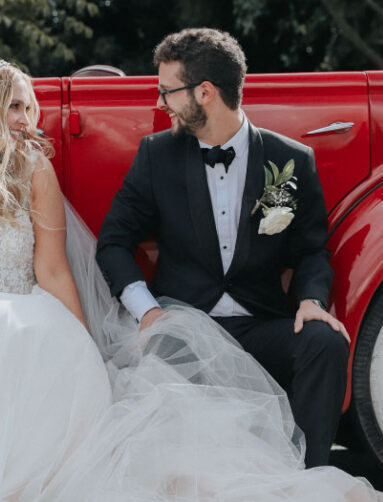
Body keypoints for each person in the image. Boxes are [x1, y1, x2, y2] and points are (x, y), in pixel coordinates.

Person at [0, 57, 383, 501]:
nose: (27, 122)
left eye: (30, 108)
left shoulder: (33, 169)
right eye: (14, 108)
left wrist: (88, 352)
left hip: (33, 321)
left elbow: (54, 270)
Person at [96, 28, 349, 468]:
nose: (161, 104)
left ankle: (309, 476)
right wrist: (150, 312)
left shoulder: (289, 159)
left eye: (167, 92)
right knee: (163, 355)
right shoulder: (157, 155)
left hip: (259, 323)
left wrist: (310, 300)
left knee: (323, 341)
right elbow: (114, 242)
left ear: (205, 92)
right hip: (184, 327)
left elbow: (311, 250)